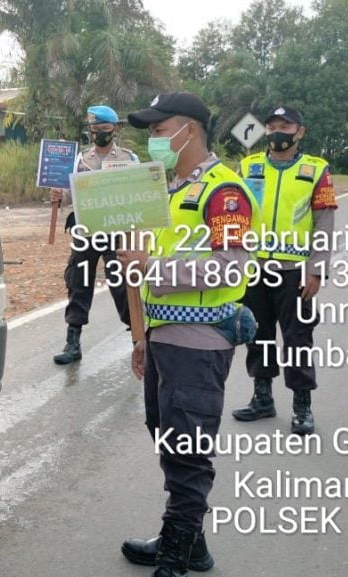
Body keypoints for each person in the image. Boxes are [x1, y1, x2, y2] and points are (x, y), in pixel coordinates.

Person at [116, 91, 255, 576]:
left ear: (188, 130)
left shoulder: (226, 192)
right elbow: (139, 266)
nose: (152, 139)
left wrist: (151, 265)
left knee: (188, 448)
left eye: (159, 130)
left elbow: (232, 267)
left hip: (201, 341)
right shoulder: (166, 190)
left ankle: (176, 555)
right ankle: (191, 543)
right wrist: (141, 337)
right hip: (162, 337)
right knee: (167, 434)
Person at [232, 105, 337, 435]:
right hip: (254, 268)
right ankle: (262, 398)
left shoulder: (316, 170)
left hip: (294, 272)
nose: (278, 132)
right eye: (273, 125)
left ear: (300, 132)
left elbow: (324, 222)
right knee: (257, 334)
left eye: (286, 126)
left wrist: (316, 269)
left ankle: (302, 405)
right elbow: (236, 214)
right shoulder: (249, 166)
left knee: (297, 338)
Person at [50, 104, 140, 365]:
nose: (99, 133)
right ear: (89, 130)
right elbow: (70, 193)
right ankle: (73, 341)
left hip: (116, 231)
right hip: (86, 230)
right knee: (78, 282)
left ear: (115, 129)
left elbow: (138, 191)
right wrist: (59, 195)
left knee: (122, 284)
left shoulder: (128, 159)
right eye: (94, 129)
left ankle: (139, 339)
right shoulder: (79, 160)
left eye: (104, 128)